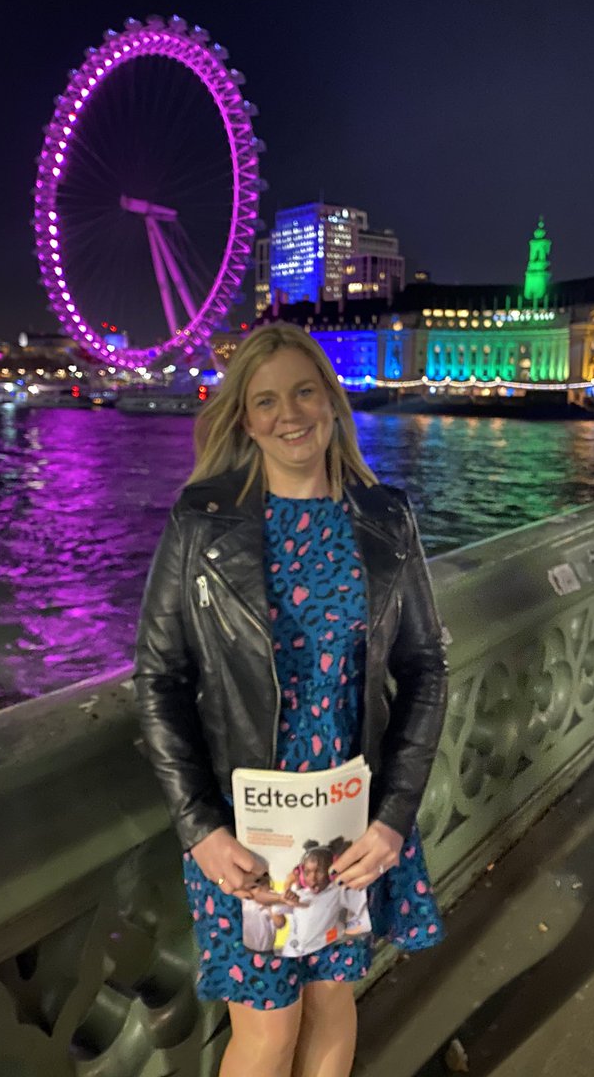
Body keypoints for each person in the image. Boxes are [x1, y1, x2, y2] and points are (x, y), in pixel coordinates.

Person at [133, 322, 448, 1077]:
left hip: (349, 826)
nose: (289, 414)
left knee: (335, 1005)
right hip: (242, 834)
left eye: (304, 391)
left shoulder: (384, 517)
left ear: (331, 401)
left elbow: (427, 668)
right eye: (266, 400)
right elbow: (158, 679)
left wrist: (393, 819)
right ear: (244, 417)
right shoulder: (201, 521)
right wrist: (201, 827)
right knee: (269, 1031)